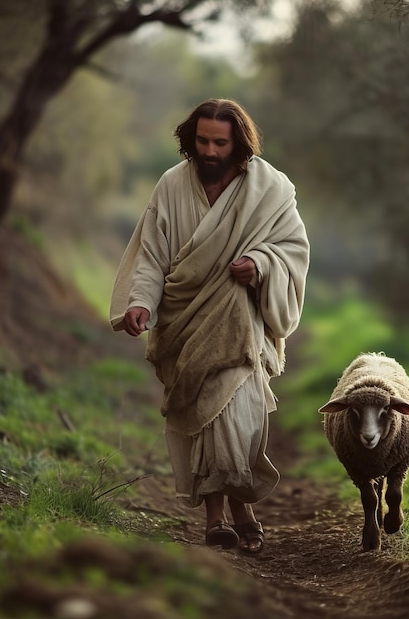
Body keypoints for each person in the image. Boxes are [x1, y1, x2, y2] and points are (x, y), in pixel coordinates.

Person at [109, 98, 309, 554]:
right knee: (200, 418)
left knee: (239, 418)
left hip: (241, 325)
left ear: (238, 142)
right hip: (184, 322)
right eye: (202, 141)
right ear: (190, 139)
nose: (211, 151)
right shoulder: (171, 186)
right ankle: (218, 516)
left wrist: (260, 264)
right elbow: (153, 255)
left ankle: (243, 510)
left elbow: (293, 248)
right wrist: (141, 303)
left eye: (220, 142)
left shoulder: (270, 188)